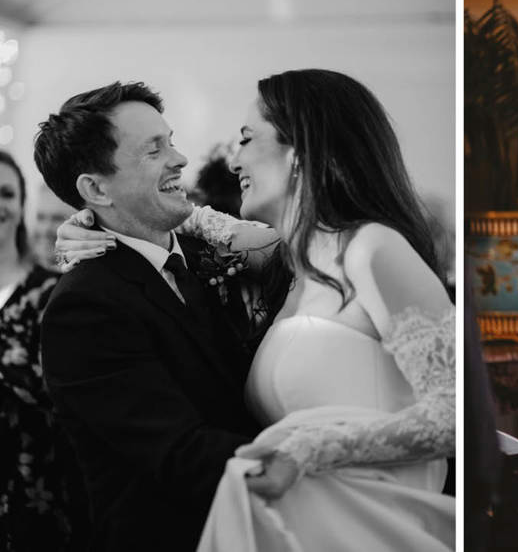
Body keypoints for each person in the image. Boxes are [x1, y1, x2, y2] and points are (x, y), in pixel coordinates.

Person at [57, 69, 456, 551]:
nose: (233, 159)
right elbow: (199, 229)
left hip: (375, 528)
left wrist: (311, 450)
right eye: (155, 149)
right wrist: (92, 218)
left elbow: (455, 411)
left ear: (299, 153)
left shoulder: (372, 249)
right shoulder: (291, 266)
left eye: (246, 139)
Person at [34, 82, 261, 552]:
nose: (179, 159)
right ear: (96, 188)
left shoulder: (215, 254)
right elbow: (181, 454)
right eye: (153, 150)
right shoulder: (85, 308)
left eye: (171, 140)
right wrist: (322, 462)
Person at [0, 151, 88, 551]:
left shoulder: (52, 293)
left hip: (34, 490)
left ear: (20, 207)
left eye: (6, 193)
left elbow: (68, 399)